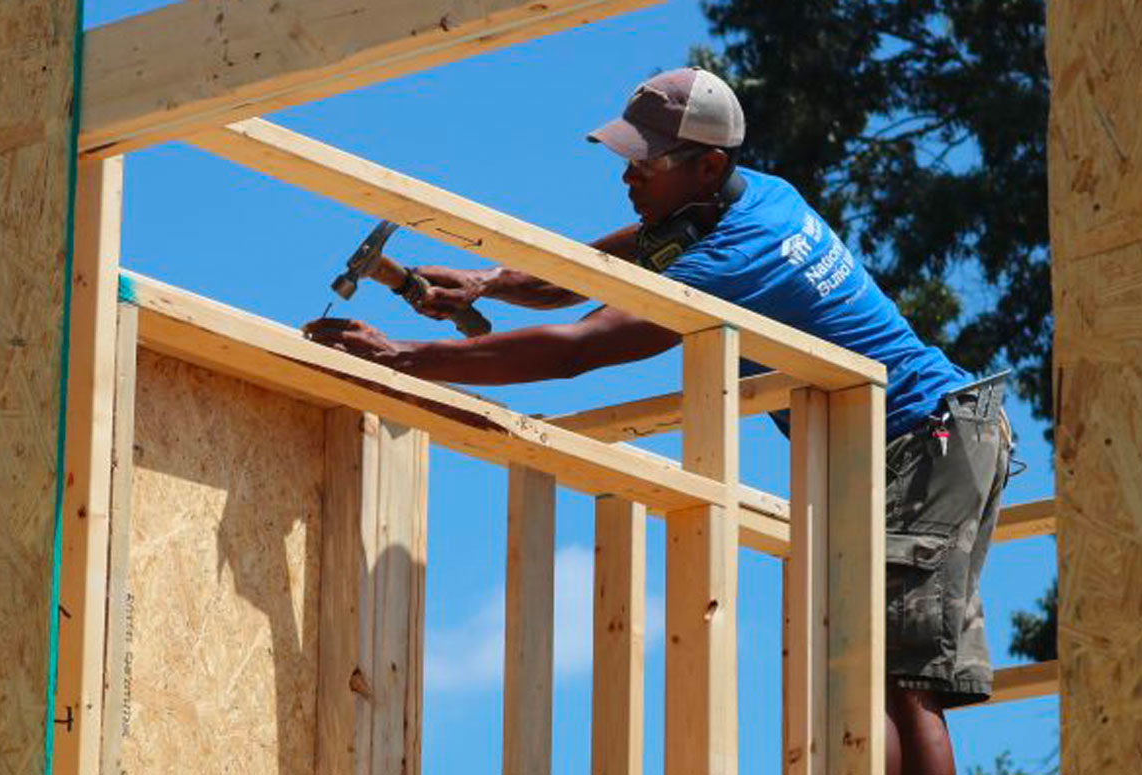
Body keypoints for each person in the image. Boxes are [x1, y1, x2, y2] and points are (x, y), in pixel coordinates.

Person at [304, 67, 1011, 775]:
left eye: (645, 163)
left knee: (898, 680)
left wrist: (403, 357)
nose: (627, 179)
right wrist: (490, 283)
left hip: (929, 438)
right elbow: (597, 269)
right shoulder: (735, 201)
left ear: (708, 164)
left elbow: (582, 346)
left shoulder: (737, 254)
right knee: (863, 665)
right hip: (910, 441)